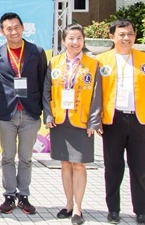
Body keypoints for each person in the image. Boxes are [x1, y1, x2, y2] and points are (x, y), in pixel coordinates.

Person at [96, 19, 145, 225]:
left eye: (130, 34)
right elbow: (95, 93)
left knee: (139, 167)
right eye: (122, 34)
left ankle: (141, 212)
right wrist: (96, 119)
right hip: (112, 119)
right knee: (113, 167)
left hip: (139, 120)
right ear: (112, 37)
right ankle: (113, 209)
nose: (126, 38)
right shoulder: (101, 60)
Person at [0, 12, 48, 215]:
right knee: (7, 157)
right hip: (7, 114)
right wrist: (0, 105)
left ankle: (24, 196)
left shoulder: (36, 51)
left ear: (23, 28)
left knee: (26, 158)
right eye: (9, 28)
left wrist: (41, 108)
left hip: (30, 114)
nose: (13, 31)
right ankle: (8, 195)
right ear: (2, 31)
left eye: (16, 27)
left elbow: (42, 82)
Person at [43, 23, 102, 224]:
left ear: (83, 40)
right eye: (71, 38)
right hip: (60, 121)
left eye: (79, 38)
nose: (75, 42)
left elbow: (97, 94)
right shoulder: (54, 63)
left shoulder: (93, 64)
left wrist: (94, 122)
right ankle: (68, 204)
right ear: (63, 41)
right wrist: (48, 116)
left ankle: (78, 207)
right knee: (65, 164)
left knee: (79, 165)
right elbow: (47, 91)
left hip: (82, 121)